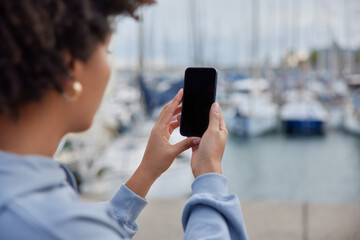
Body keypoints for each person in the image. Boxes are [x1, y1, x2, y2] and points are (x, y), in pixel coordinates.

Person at [0, 0, 248, 239]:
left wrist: (147, 170)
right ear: (70, 69)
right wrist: (210, 178)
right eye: (107, 51)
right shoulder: (56, 227)